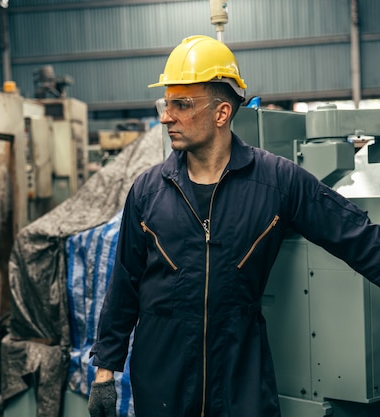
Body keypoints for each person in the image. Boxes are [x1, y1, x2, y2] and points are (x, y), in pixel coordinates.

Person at [87, 35, 380, 417]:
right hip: (163, 376)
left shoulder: (277, 181)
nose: (165, 116)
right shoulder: (148, 191)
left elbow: (357, 237)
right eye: (165, 103)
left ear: (221, 113)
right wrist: (105, 370)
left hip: (241, 374)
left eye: (181, 105)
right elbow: (124, 283)